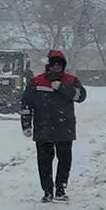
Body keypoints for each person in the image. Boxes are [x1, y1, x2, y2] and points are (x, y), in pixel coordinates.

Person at [19, 49, 87, 202]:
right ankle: (48, 191)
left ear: (63, 65)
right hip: (43, 129)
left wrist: (62, 87)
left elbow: (81, 96)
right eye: (54, 64)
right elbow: (26, 104)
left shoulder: (71, 80)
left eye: (59, 64)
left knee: (65, 161)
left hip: (65, 129)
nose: (56, 67)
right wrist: (26, 125)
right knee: (44, 163)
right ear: (48, 65)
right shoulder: (37, 82)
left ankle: (60, 190)